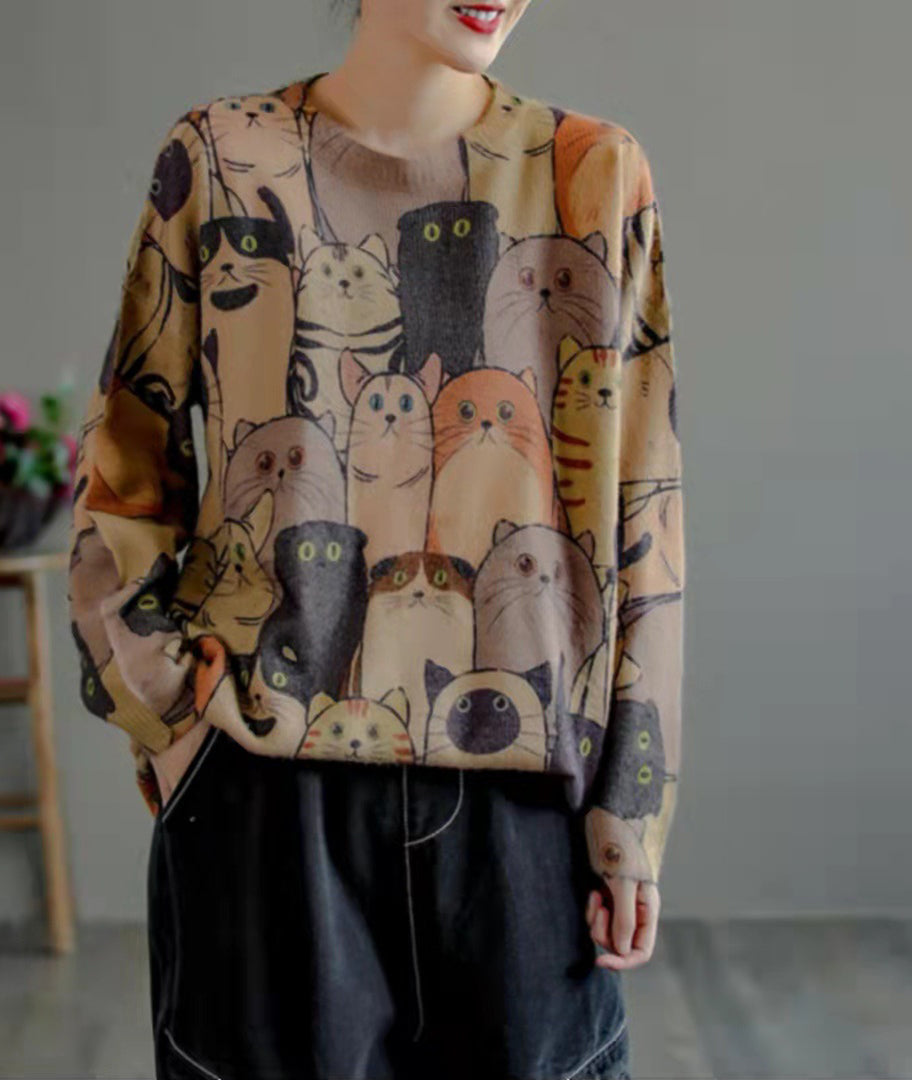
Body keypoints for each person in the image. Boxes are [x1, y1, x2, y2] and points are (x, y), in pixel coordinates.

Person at [66, 1, 684, 1076]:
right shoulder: (219, 157)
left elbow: (645, 506)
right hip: (267, 798)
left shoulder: (594, 172)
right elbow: (125, 461)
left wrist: (633, 807)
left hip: (526, 809)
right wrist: (170, 719)